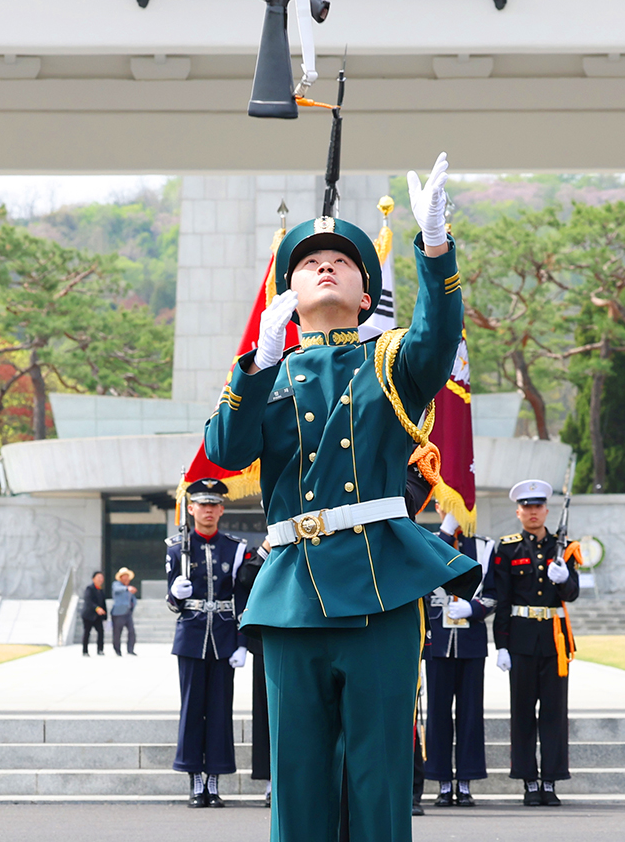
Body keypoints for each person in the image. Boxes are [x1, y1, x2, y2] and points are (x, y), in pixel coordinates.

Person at [205, 154, 481, 842]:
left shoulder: (388, 360)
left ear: (365, 296)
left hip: (379, 586)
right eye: (309, 263)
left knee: (379, 776)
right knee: (297, 780)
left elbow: (437, 339)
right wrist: (257, 364)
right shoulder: (267, 373)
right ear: (288, 293)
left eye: (341, 262)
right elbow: (226, 450)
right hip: (293, 592)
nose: (325, 266)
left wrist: (436, 248)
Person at [492, 478, 580, 807]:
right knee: (523, 712)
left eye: (538, 506)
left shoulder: (563, 547)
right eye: (527, 507)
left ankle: (551, 780)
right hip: (521, 639)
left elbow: (572, 594)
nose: (533, 512)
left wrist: (565, 578)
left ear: (546, 511)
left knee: (555, 713)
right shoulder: (508, 548)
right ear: (518, 512)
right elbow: (502, 599)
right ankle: (529, 780)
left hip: (554, 640)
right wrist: (501, 645)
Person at [166, 478, 248, 807]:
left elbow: (242, 598)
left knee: (219, 710)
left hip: (224, 637)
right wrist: (176, 593)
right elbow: (172, 604)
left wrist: (242, 642)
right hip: (191, 636)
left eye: (214, 505)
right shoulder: (176, 547)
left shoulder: (235, 548)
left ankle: (213, 780)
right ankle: (194, 779)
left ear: (222, 509)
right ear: (191, 508)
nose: (208, 510)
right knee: (192, 709)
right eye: (202, 504)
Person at [423, 506, 496, 807]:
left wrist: (474, 608)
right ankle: (442, 781)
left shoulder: (484, 546)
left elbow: (494, 593)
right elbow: (423, 579)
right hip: (438, 642)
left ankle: (465, 781)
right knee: (438, 714)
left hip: (470, 641)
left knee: (470, 714)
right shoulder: (429, 542)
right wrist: (444, 534)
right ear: (439, 507)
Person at [235, 538, 273, 806]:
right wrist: (267, 547)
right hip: (265, 640)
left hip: (304, 636)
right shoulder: (262, 549)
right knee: (266, 713)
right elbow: (245, 578)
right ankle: (271, 780)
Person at [110, 567, 138, 655]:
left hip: (128, 613)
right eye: (124, 576)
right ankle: (117, 650)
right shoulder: (116, 585)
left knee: (131, 631)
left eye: (127, 577)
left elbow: (132, 599)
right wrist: (127, 588)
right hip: (118, 613)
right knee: (117, 633)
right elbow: (117, 589)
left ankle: (130, 650)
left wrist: (133, 605)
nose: (126, 579)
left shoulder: (129, 588)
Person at [80, 571, 107, 656]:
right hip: (88, 615)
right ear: (93, 579)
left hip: (98, 616)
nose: (100, 579)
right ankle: (85, 651)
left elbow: (103, 603)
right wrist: (97, 608)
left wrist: (105, 615)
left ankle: (100, 650)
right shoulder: (89, 588)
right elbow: (88, 601)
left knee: (101, 632)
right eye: (98, 578)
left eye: (101, 578)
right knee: (87, 633)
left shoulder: (101, 590)